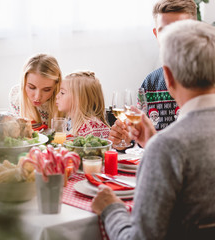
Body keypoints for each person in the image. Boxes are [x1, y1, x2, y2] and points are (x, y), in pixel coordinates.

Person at [91, 19, 215, 239]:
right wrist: (154, 142)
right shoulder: (166, 146)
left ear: (167, 77)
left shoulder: (169, 147)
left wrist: (111, 208)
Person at [108, 0, 197, 148]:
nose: (171, 39)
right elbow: (139, 140)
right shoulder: (150, 82)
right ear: (156, 34)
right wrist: (125, 141)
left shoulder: (208, 81)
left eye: (180, 30)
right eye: (164, 31)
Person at [9, 53, 62, 127]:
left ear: (56, 85)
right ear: (24, 82)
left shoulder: (64, 100)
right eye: (31, 87)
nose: (37, 97)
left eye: (46, 90)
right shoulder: (16, 96)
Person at [55, 71, 110, 137]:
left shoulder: (92, 128)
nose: (57, 96)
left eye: (62, 93)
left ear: (79, 99)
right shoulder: (70, 122)